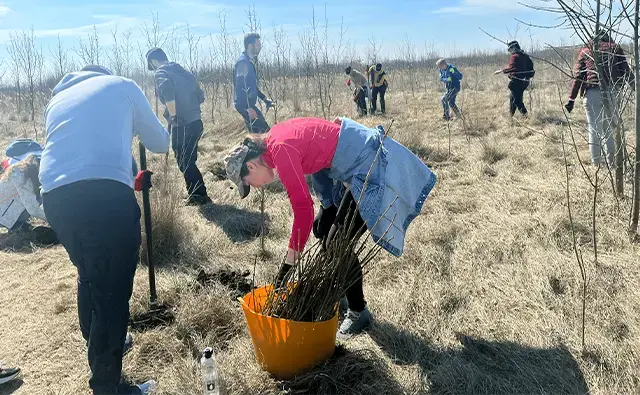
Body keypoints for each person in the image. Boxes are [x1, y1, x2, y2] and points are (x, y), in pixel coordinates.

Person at [224, 117, 436, 338]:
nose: (256, 186)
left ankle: (358, 311)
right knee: (323, 231)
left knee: (337, 244)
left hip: (368, 168)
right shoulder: (275, 139)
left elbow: (302, 209)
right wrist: (328, 205)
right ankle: (342, 294)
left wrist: (288, 266)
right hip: (354, 165)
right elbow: (317, 154)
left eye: (249, 182)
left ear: (251, 165)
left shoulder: (280, 151)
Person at [40, 65, 170, 395]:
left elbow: (80, 152)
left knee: (91, 272)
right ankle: (107, 386)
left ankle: (99, 344)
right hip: (105, 199)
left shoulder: (57, 100)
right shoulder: (122, 86)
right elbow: (159, 142)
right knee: (113, 292)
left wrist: (127, 173)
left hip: (56, 198)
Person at [146, 48, 211, 205]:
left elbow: (168, 91)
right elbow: (201, 96)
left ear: (153, 61)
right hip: (196, 122)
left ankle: (199, 196)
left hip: (182, 123)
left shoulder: (161, 72)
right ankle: (198, 193)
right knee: (188, 159)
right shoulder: (183, 71)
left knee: (184, 159)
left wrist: (173, 115)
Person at [564, 32, 635, 166]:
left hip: (592, 93)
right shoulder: (615, 48)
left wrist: (571, 99)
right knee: (609, 128)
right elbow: (626, 72)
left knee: (594, 129)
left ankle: (595, 165)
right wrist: (635, 88)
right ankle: (612, 163)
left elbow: (579, 76)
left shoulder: (586, 51)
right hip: (612, 92)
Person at [234, 33, 273, 134]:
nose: (260, 47)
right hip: (244, 105)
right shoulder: (243, 63)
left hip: (248, 104)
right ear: (250, 46)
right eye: (258, 45)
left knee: (259, 134)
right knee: (264, 132)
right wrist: (248, 108)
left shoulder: (249, 62)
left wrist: (264, 99)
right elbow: (240, 87)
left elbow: (251, 86)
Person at [0, 154, 46, 232]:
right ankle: (16, 224)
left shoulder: (19, 170)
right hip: (3, 215)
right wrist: (52, 220)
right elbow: (33, 209)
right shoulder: (22, 177)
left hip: (4, 210)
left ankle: (17, 223)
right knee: (38, 197)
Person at [494, 40, 535, 117]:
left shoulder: (514, 56)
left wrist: (501, 71)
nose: (509, 51)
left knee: (517, 100)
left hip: (516, 81)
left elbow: (512, 68)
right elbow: (531, 69)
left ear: (514, 48)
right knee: (513, 98)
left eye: (510, 49)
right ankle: (511, 116)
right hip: (525, 81)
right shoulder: (526, 56)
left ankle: (526, 116)